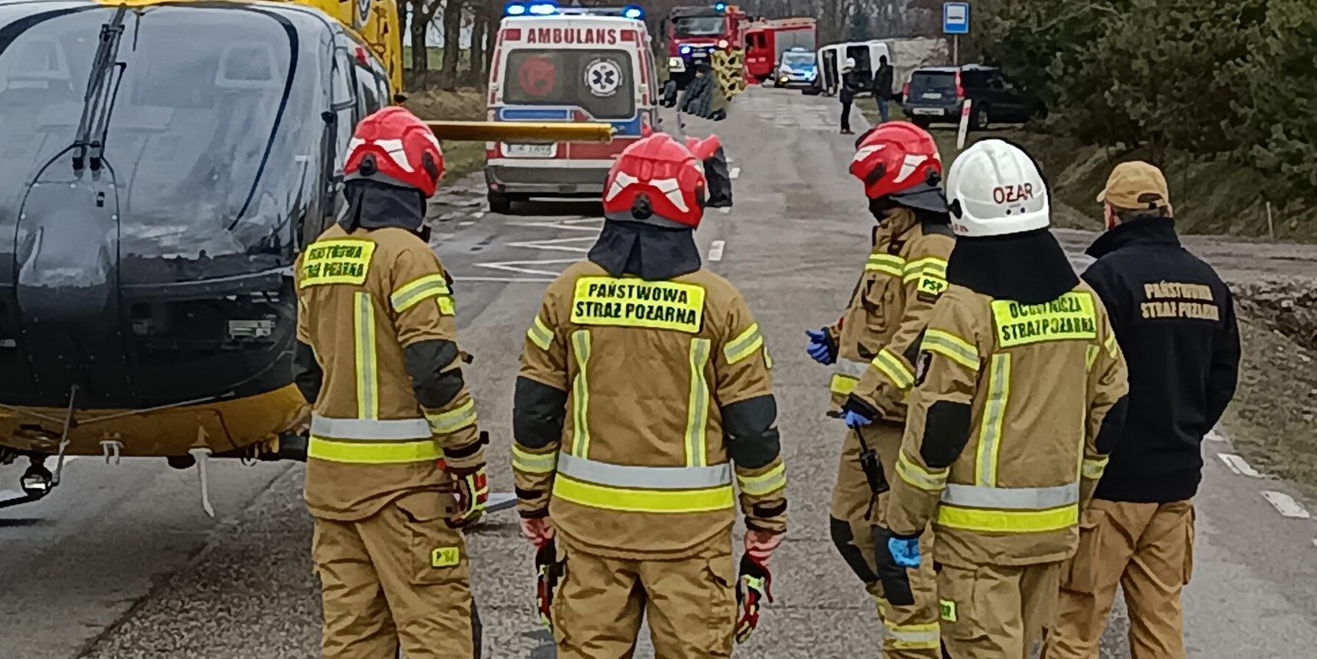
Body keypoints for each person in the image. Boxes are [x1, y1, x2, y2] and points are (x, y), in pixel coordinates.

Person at [512, 133, 789, 658]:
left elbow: (534, 411)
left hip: (589, 528)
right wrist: (765, 518)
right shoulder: (721, 306)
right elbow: (752, 426)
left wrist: (531, 501)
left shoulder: (567, 294)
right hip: (689, 537)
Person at [877, 139, 1130, 659]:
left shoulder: (965, 311)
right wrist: (1077, 496)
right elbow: (1111, 413)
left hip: (978, 546)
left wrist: (903, 521)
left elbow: (936, 432)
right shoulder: (1086, 305)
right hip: (1052, 535)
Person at [295, 106, 488, 658]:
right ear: (418, 182)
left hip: (332, 489)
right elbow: (433, 371)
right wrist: (467, 458)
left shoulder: (318, 255)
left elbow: (304, 371)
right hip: (405, 491)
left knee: (353, 635)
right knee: (435, 631)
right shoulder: (409, 257)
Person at [1045, 162, 1240, 659]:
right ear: (1168, 210)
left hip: (1111, 485)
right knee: (1160, 621)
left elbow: (1078, 378)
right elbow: (1222, 378)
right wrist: (1186, 430)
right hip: (1174, 485)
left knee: (1076, 621)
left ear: (1111, 216)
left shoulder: (1105, 281)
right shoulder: (1209, 282)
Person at [805, 121, 956, 658]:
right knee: (848, 529)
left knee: (901, 548)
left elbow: (923, 327)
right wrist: (836, 334)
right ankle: (906, 616)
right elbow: (877, 309)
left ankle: (919, 643)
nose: (871, 200)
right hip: (867, 420)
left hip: (898, 421)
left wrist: (871, 389)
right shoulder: (893, 233)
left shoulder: (933, 245)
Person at [872, 55, 896, 124]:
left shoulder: (884, 71)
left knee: (883, 107)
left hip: (882, 92)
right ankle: (884, 120)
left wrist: (879, 90)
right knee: (882, 107)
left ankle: (885, 121)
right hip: (880, 92)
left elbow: (884, 82)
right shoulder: (883, 70)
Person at [840, 64, 861, 134]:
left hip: (844, 93)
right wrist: (858, 84)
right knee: (846, 112)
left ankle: (845, 127)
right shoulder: (850, 73)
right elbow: (851, 82)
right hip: (847, 94)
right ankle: (845, 127)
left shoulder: (845, 72)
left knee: (845, 112)